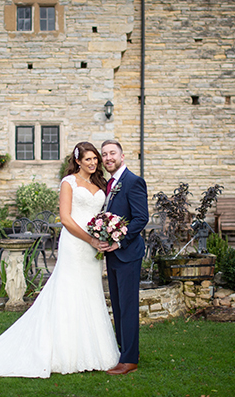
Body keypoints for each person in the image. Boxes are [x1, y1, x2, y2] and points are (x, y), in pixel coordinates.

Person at [0, 142, 119, 378]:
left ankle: (95, 350)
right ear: (77, 161)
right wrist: (90, 239)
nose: (94, 163)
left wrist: (102, 234)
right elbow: (65, 218)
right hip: (76, 244)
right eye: (88, 159)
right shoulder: (69, 182)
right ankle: (64, 351)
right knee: (69, 291)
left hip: (93, 247)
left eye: (95, 158)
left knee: (90, 291)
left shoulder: (99, 183)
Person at [99, 140, 149, 375]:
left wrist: (119, 241)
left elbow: (140, 218)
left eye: (112, 153)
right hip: (113, 255)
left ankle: (129, 360)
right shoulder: (109, 184)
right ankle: (125, 351)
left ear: (122, 155)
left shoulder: (133, 181)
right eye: (105, 154)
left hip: (128, 253)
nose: (108, 157)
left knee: (127, 307)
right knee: (118, 307)